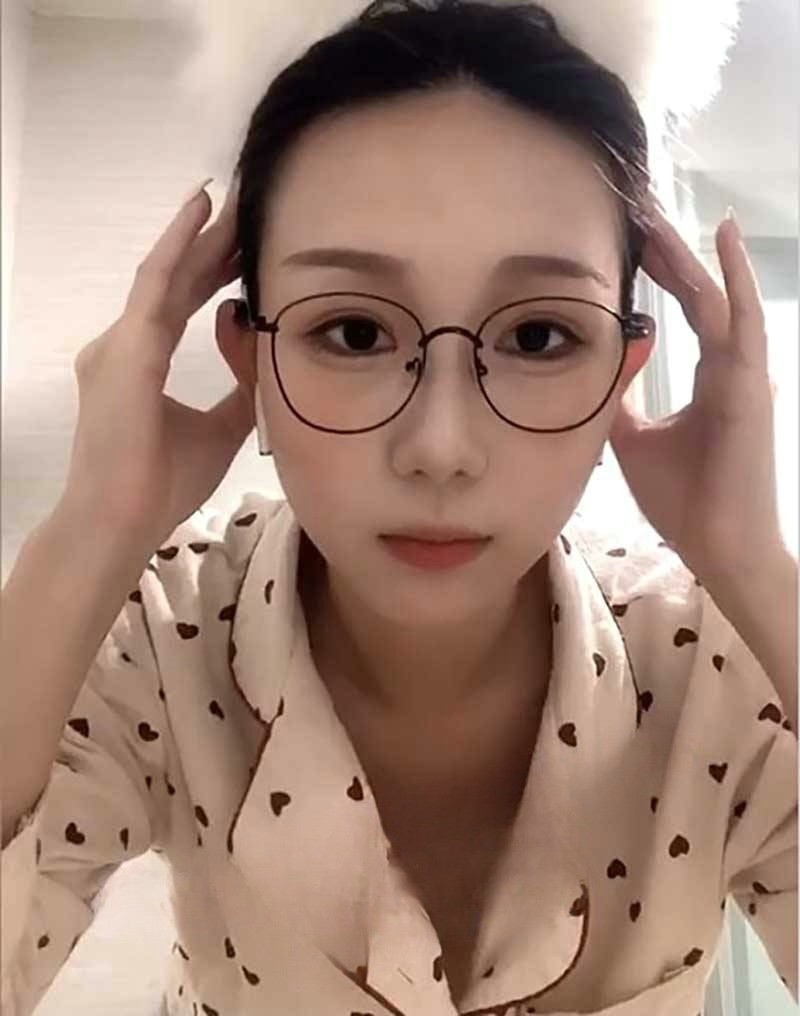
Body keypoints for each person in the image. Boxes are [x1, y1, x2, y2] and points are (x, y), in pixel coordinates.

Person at [1, 1, 796, 1014]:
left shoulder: (718, 667)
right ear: (253, 360)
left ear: (621, 373)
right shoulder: (159, 637)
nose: (440, 449)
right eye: (354, 332)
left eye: (539, 337)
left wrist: (756, 567)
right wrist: (86, 534)